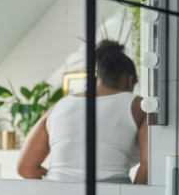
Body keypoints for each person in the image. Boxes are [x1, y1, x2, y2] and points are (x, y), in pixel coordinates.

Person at [17, 39, 148, 184]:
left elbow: (25, 167)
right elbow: (148, 165)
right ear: (129, 81)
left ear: (98, 77)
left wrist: (65, 182)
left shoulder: (59, 105)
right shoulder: (140, 105)